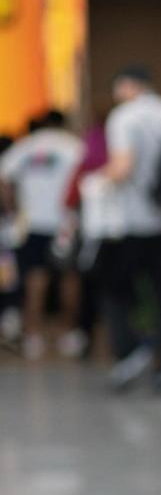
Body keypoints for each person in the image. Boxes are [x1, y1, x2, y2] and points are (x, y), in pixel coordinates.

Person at [100, 65, 161, 391]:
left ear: (128, 86)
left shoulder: (124, 117)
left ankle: (130, 350)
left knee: (116, 290)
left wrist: (95, 182)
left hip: (130, 223)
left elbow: (123, 166)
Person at [0, 111, 84, 360]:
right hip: (66, 224)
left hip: (32, 223)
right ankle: (68, 333)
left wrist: (13, 208)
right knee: (69, 279)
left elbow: (3, 179)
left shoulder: (25, 147)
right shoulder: (73, 146)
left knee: (35, 280)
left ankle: (33, 336)